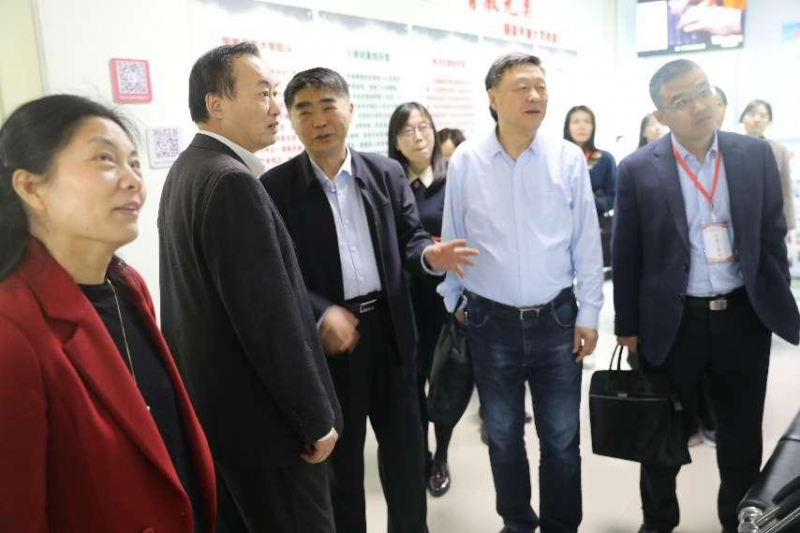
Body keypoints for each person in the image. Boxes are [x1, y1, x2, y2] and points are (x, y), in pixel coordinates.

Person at [261, 67, 478, 533]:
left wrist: (429, 256)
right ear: (291, 119)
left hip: (391, 331)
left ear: (350, 109)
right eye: (305, 110)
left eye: (329, 106)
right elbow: (278, 270)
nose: (319, 120)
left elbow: (410, 238)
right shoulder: (276, 188)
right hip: (331, 342)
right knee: (342, 468)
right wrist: (321, 311)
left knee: (405, 456)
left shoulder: (384, 172)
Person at [0, 94, 216, 531]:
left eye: (134, 162)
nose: (133, 180)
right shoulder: (12, 328)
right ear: (30, 187)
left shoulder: (126, 286)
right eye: (105, 159)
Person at [158, 43, 342, 533]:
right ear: (215, 104)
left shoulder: (187, 170)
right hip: (268, 434)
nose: (275, 107)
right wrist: (315, 420)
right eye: (262, 93)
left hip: (222, 425)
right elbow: (269, 322)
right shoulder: (231, 182)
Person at [613, 59, 800, 533]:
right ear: (661, 115)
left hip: (741, 318)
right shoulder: (639, 169)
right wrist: (627, 326)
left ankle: (736, 522)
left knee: (741, 438)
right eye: (681, 101)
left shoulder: (753, 154)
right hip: (673, 323)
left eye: (703, 91)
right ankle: (658, 521)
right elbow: (626, 252)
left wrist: (771, 296)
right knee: (662, 435)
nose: (699, 105)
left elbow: (771, 233)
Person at [439, 52, 604, 533]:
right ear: (493, 97)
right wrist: (454, 301)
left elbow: (586, 241)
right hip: (490, 322)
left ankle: (560, 525)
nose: (535, 96)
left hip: (557, 320)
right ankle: (516, 521)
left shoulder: (567, 158)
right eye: (521, 87)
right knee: (503, 435)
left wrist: (590, 313)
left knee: (561, 438)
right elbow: (453, 235)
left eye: (541, 86)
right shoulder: (467, 160)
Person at [388, 101, 454, 497]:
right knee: (410, 385)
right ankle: (420, 453)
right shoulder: (388, 183)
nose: (418, 136)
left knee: (442, 385)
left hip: (442, 301)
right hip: (403, 300)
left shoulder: (452, 180)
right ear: (395, 141)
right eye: (408, 130)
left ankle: (441, 456)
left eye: (424, 127)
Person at [563, 105, 617, 274]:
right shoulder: (558, 157)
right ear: (567, 126)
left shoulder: (605, 159)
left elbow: (614, 196)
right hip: (563, 228)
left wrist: (588, 203)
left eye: (587, 121)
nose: (582, 126)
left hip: (596, 225)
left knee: (592, 272)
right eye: (576, 121)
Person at [740, 99, 796, 230]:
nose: (757, 119)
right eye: (752, 114)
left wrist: (789, 224)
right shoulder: (730, 148)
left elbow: (786, 189)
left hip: (768, 218)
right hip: (739, 216)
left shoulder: (779, 150)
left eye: (763, 115)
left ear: (769, 121)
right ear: (742, 118)